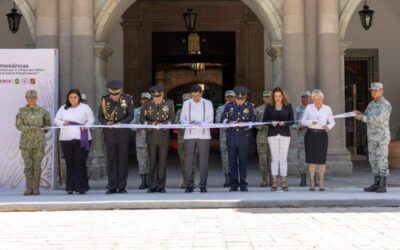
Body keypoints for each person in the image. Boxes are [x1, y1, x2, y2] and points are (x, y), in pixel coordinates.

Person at [54, 89, 95, 195]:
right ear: (68, 98)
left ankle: (81, 187)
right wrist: (63, 122)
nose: (73, 99)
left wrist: (85, 126)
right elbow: (56, 120)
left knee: (80, 162)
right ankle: (70, 187)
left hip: (81, 138)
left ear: (79, 98)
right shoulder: (63, 108)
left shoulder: (85, 108)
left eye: (75, 97)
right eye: (71, 97)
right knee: (70, 163)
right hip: (66, 139)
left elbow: (91, 120)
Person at [98, 80, 134, 194]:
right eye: (112, 94)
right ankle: (112, 186)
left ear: (120, 92)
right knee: (111, 160)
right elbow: (100, 116)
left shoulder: (127, 99)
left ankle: (122, 186)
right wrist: (105, 122)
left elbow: (130, 115)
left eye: (116, 94)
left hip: (122, 133)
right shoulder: (104, 100)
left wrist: (121, 123)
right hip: (109, 134)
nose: (114, 96)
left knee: (123, 160)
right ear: (109, 92)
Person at [355, 82, 392, 193]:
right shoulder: (371, 104)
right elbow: (365, 115)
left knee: (381, 160)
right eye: (372, 90)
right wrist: (359, 114)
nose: (373, 92)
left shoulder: (386, 104)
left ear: (382, 91)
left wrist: (363, 118)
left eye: (376, 90)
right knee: (373, 160)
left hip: (381, 137)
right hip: (372, 137)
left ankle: (383, 184)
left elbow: (379, 119)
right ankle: (376, 182)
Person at [140, 84, 175, 193]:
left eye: (159, 97)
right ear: (152, 96)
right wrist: (151, 123)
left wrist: (163, 124)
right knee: (152, 162)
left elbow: (172, 118)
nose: (157, 99)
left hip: (163, 136)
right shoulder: (146, 105)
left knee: (162, 162)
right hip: (151, 136)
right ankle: (152, 186)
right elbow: (142, 119)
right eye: (155, 97)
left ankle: (161, 186)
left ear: (162, 94)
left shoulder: (169, 104)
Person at [16, 90, 51, 196]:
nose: (32, 99)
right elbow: (19, 126)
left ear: (36, 98)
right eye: (30, 97)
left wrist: (45, 128)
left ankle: (36, 188)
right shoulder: (21, 111)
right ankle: (28, 188)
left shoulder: (43, 111)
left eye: (34, 97)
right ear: (26, 98)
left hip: (39, 142)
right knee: (28, 166)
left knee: (37, 166)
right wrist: (32, 128)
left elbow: (48, 125)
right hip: (26, 143)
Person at [180, 84, 214, 193]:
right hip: (189, 135)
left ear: (201, 93)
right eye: (193, 96)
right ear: (191, 94)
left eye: (197, 96)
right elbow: (182, 119)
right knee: (189, 161)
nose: (195, 98)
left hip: (204, 135)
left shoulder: (208, 103)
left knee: (203, 161)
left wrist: (201, 123)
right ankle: (189, 184)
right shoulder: (186, 103)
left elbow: (210, 119)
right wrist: (189, 123)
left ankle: (203, 185)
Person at [221, 86, 256, 192]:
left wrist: (244, 124)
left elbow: (253, 122)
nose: (240, 101)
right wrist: (229, 123)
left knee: (243, 162)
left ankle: (243, 184)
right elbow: (222, 120)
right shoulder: (229, 106)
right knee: (232, 162)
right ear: (235, 98)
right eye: (238, 99)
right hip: (231, 137)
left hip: (243, 138)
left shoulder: (250, 107)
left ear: (245, 98)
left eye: (242, 99)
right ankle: (234, 184)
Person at [301, 89, 335, 191]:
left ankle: (321, 182)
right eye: (315, 99)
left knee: (321, 160)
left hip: (322, 135)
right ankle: (311, 181)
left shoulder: (327, 109)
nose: (317, 101)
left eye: (319, 99)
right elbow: (302, 121)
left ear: (322, 99)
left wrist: (328, 127)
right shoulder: (309, 108)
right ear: (312, 99)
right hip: (311, 134)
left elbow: (332, 122)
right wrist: (311, 122)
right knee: (311, 160)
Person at [263, 87, 294, 191]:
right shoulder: (269, 106)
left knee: (283, 158)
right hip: (272, 134)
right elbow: (264, 120)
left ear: (282, 96)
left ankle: (284, 182)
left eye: (279, 96)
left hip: (285, 134)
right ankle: (275, 182)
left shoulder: (288, 106)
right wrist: (271, 122)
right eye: (275, 96)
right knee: (275, 158)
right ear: (273, 97)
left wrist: (284, 123)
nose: (277, 98)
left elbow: (292, 121)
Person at [175, 93, 197, 189]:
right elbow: (175, 124)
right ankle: (185, 180)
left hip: (193, 138)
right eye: (185, 101)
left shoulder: (196, 110)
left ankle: (192, 180)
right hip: (182, 139)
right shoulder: (179, 111)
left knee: (193, 161)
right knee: (183, 160)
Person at [292, 90, 312, 187]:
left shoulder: (314, 109)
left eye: (307, 97)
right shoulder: (298, 110)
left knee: (313, 157)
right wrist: (299, 127)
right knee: (302, 158)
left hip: (313, 136)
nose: (305, 99)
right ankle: (303, 179)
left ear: (310, 98)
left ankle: (314, 178)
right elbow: (293, 123)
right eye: (303, 97)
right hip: (301, 136)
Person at [215, 90, 235, 187]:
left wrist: (229, 122)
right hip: (224, 136)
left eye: (231, 97)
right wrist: (232, 123)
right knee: (225, 158)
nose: (230, 98)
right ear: (225, 98)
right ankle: (227, 179)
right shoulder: (220, 108)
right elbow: (219, 121)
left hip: (236, 136)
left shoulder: (238, 107)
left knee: (236, 158)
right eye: (228, 97)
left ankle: (235, 178)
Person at [131, 92, 151, 190]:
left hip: (152, 140)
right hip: (141, 141)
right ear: (141, 100)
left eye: (147, 99)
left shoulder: (154, 110)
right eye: (143, 99)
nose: (145, 101)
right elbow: (132, 125)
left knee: (152, 161)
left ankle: (151, 181)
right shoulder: (136, 111)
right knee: (142, 161)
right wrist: (137, 127)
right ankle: (143, 182)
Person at [255, 90, 272, 187]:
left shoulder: (275, 109)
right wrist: (262, 125)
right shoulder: (258, 109)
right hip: (261, 138)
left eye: (269, 97)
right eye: (265, 97)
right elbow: (254, 123)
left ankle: (272, 180)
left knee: (272, 160)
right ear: (263, 98)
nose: (267, 99)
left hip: (273, 137)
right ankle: (264, 180)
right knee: (263, 161)